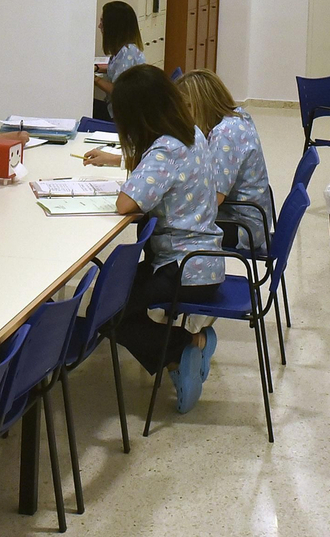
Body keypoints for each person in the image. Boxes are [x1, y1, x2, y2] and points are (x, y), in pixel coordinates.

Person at [109, 64, 225, 414]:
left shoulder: (166, 150)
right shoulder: (191, 133)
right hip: (202, 262)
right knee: (116, 295)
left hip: (184, 270)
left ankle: (186, 346)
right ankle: (182, 352)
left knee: (110, 311)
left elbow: (125, 203)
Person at [177, 70, 276, 252]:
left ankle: (168, 277)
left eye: (187, 107)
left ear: (201, 105)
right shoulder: (237, 116)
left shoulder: (225, 135)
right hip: (253, 218)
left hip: (243, 227)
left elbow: (214, 198)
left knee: (164, 228)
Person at [92, 0, 144, 111]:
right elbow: (118, 69)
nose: (99, 26)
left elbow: (118, 90)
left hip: (121, 115)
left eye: (102, 22)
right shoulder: (126, 50)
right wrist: (97, 68)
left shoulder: (127, 53)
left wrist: (94, 79)